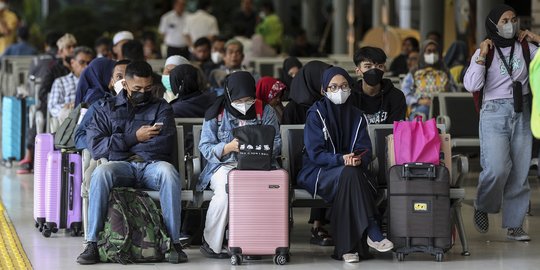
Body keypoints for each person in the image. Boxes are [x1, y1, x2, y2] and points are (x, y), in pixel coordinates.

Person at [76, 61, 188, 264]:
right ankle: (92, 243)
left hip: (151, 165)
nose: (143, 92)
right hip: (121, 167)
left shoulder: (161, 107)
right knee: (100, 173)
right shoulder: (105, 108)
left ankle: (173, 243)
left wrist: (119, 143)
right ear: (125, 84)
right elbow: (97, 147)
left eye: (147, 88)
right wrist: (135, 137)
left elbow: (162, 144)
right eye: (137, 88)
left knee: (169, 173)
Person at [298, 66, 393, 263]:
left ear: (350, 88)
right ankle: (372, 230)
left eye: (343, 86)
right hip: (319, 172)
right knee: (350, 175)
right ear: (324, 90)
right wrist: (341, 159)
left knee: (350, 176)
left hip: (350, 172)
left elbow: (364, 148)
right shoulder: (315, 114)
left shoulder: (357, 115)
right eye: (333, 87)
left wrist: (358, 159)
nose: (339, 91)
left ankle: (347, 250)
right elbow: (315, 154)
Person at [463, 4, 539, 241]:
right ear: (494, 25)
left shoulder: (527, 46)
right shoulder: (486, 50)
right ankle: (482, 204)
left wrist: (538, 38)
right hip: (494, 111)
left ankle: (515, 224)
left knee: (519, 171)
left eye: (513, 19)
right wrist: (483, 55)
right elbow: (471, 85)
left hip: (523, 109)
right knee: (496, 168)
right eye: (505, 21)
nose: (511, 24)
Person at [198, 71, 281, 258]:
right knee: (226, 193)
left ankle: (257, 243)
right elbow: (205, 146)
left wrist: (255, 149)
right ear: (229, 95)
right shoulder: (216, 113)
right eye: (239, 100)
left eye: (249, 99)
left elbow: (276, 142)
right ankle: (212, 244)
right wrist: (227, 147)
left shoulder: (265, 111)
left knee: (267, 192)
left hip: (260, 165)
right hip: (225, 165)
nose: (244, 105)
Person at [281, 60, 335, 246]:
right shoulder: (293, 109)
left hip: (324, 159)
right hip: (298, 164)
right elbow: (286, 144)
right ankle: (319, 225)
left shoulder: (330, 104)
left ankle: (327, 224)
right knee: (321, 167)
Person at [401, 39, 457, 119]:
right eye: (429, 51)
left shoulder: (445, 71)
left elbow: (454, 90)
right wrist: (418, 101)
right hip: (420, 107)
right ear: (423, 53)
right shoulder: (414, 71)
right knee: (423, 112)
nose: (432, 54)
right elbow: (404, 93)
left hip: (443, 107)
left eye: (434, 51)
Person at [350, 46, 406, 124]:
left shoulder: (396, 96)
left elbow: (396, 129)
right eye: (368, 66)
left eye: (379, 66)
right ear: (358, 71)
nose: (374, 70)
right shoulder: (350, 96)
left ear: (385, 69)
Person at [48, 46, 93, 131]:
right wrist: (68, 106)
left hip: (90, 116)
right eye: (82, 62)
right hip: (70, 119)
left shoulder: (95, 82)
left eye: (89, 63)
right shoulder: (60, 82)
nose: (86, 66)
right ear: (72, 63)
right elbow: (53, 106)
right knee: (64, 113)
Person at [282, 60, 330, 125]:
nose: (328, 84)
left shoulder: (330, 103)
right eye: (322, 79)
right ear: (312, 81)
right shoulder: (292, 110)